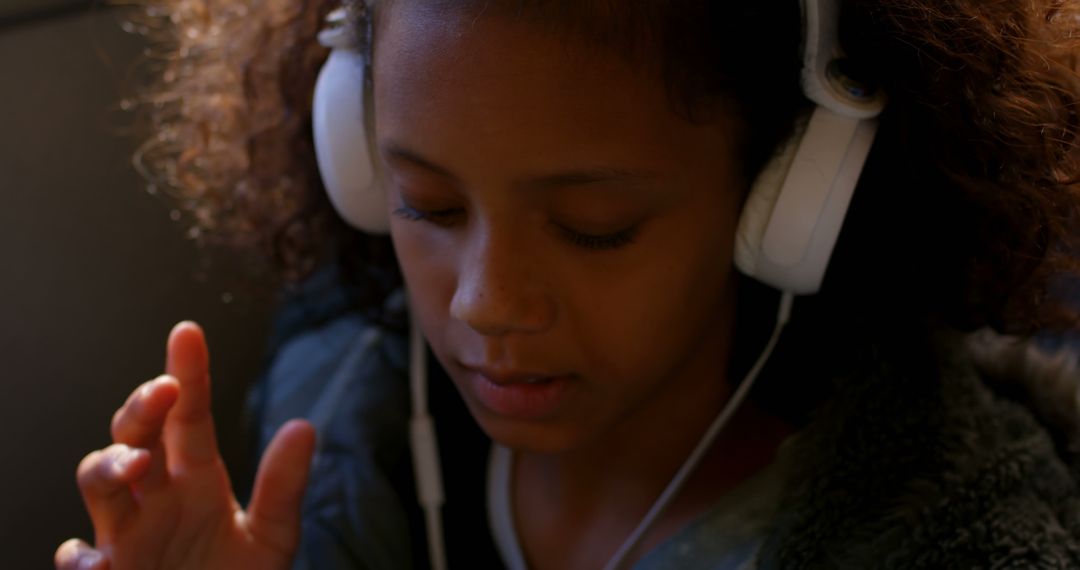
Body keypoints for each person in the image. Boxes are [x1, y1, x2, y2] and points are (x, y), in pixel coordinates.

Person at [55, 0, 1080, 568]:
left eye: (597, 228)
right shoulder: (334, 415)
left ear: (790, 196)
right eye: (429, 205)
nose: (482, 304)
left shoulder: (946, 533)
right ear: (353, 154)